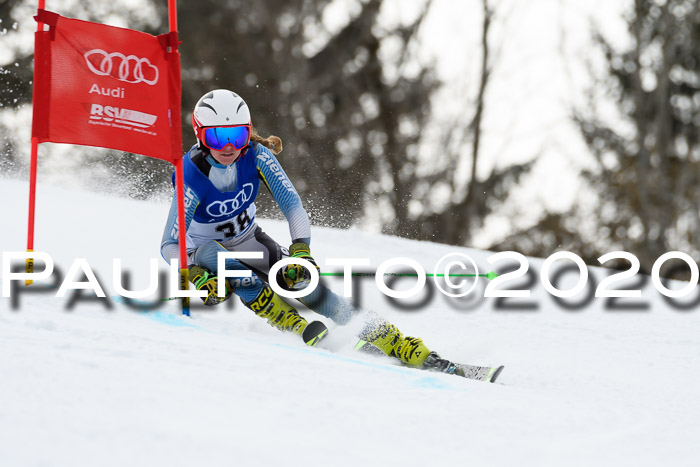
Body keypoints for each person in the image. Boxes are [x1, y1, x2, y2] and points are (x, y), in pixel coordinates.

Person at [160, 89, 478, 375]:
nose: (228, 147)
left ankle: (397, 342)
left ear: (248, 134)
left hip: (251, 241)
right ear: (201, 136)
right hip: (207, 262)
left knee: (305, 285)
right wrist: (191, 273)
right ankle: (291, 323)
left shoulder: (256, 155)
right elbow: (169, 244)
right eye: (217, 138)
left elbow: (293, 206)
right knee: (214, 254)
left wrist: (301, 249)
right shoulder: (190, 173)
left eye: (237, 136)